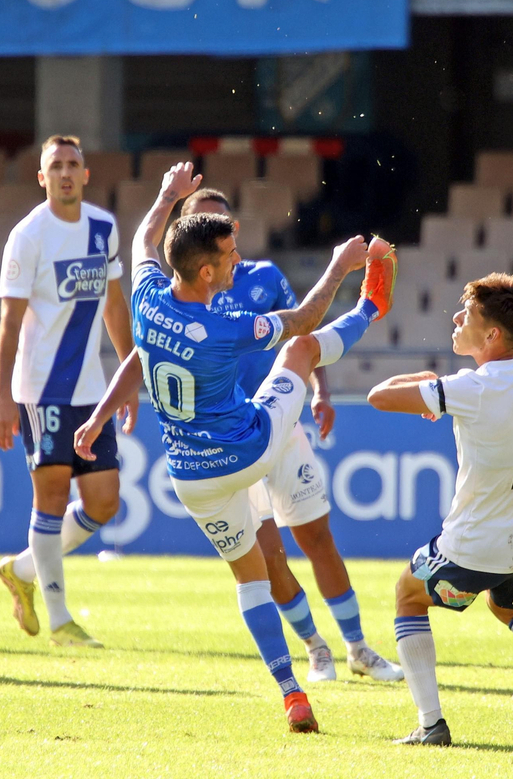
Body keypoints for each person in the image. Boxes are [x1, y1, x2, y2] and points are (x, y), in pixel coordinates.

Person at [74, 163, 395, 733]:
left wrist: (169, 195)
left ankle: (292, 693)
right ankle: (374, 308)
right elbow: (300, 321)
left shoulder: (147, 296)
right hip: (250, 448)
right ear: (204, 270)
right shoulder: (223, 328)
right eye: (226, 255)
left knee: (250, 580)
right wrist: (342, 269)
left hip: (191, 477)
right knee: (297, 354)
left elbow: (144, 238)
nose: (235, 260)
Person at [366, 273, 513, 747]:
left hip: (477, 543)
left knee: (408, 596)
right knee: (510, 606)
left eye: (468, 315)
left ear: (493, 334)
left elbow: (378, 397)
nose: (456, 320)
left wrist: (426, 383)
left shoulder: (469, 388)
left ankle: (431, 724)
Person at [179, 189, 400, 683]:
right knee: (269, 556)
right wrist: (344, 271)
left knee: (317, 537)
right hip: (233, 438)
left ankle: (357, 648)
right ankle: (315, 648)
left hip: (277, 422)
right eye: (200, 224)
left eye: (221, 224)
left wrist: (319, 393)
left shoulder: (257, 280)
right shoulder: (199, 306)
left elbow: (303, 328)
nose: (216, 234)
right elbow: (302, 331)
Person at [0, 136, 134, 648]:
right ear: (42, 177)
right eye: (56, 166)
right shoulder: (28, 236)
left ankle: (22, 570)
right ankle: (59, 620)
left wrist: (127, 379)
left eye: (74, 164)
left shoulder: (103, 227)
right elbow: (9, 321)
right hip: (39, 388)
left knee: (104, 502)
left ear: (87, 174)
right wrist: (3, 395)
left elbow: (115, 305)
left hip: (93, 389)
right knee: (51, 496)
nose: (66, 173)